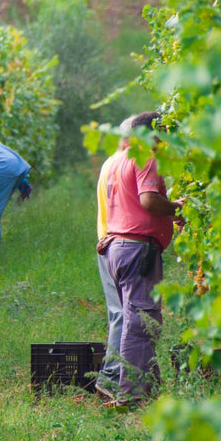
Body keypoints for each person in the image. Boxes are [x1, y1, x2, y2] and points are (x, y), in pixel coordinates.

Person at [96, 111, 184, 406]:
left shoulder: (120, 158)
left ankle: (147, 387)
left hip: (118, 247)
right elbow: (148, 200)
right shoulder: (146, 156)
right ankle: (132, 395)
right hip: (137, 248)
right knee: (140, 322)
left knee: (138, 319)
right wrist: (175, 207)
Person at [92, 117, 132, 401]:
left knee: (117, 312)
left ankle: (116, 374)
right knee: (121, 313)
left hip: (108, 242)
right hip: (116, 243)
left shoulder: (111, 161)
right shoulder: (125, 163)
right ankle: (111, 376)